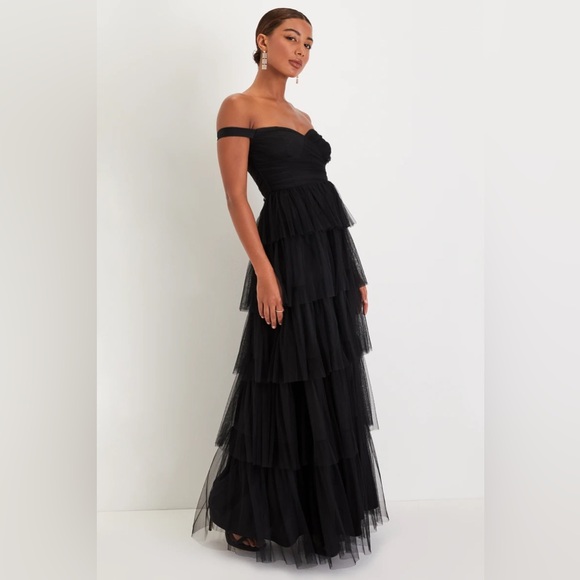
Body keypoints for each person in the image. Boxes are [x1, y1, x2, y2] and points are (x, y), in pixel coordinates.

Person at [191, 7, 388, 569]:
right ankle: (252, 514)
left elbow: (324, 195)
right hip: (284, 256)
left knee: (329, 374)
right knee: (279, 377)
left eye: (309, 43)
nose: (301, 50)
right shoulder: (239, 107)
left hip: (328, 258)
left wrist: (352, 271)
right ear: (263, 41)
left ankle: (316, 511)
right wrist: (265, 272)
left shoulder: (301, 115)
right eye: (291, 38)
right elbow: (236, 197)